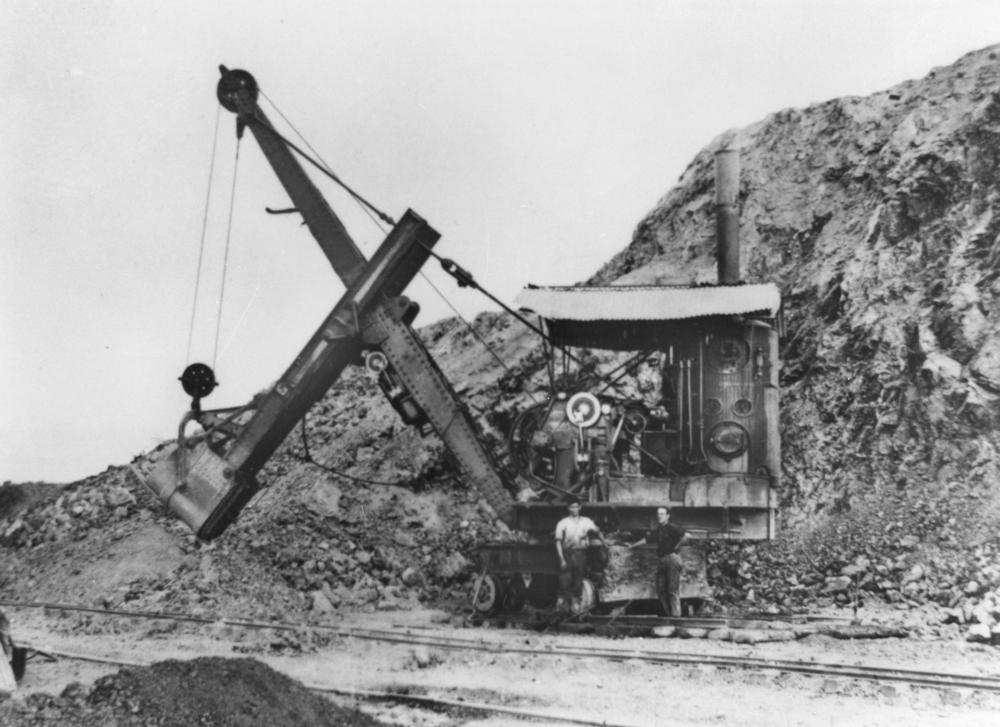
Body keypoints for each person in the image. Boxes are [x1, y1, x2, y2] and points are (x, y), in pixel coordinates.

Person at [628, 506, 688, 616]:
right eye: (658, 514)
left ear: (668, 516)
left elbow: (687, 536)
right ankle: (669, 615)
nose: (659, 516)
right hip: (662, 560)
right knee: (660, 590)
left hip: (672, 559)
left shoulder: (672, 527)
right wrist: (632, 545)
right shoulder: (659, 529)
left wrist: (676, 547)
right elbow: (647, 539)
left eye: (662, 514)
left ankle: (676, 617)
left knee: (672, 590)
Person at [554, 498, 605, 612]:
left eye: (576, 507)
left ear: (580, 508)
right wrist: (561, 559)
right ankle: (562, 607)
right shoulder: (562, 523)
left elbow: (597, 531)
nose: (574, 509)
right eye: (572, 507)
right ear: (568, 508)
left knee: (578, 580)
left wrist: (603, 541)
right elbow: (558, 542)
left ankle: (575, 607)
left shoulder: (586, 521)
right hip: (567, 553)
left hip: (581, 553)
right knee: (565, 580)